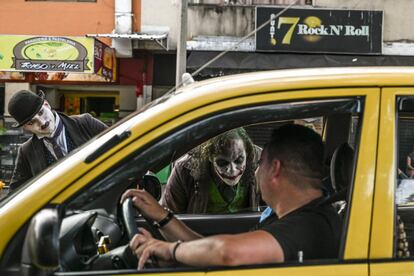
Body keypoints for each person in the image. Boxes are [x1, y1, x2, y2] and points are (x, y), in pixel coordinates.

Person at [121, 124, 341, 269]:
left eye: (259, 164)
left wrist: (168, 249)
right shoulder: (295, 217)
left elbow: (227, 253)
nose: (254, 172)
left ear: (274, 169)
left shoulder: (309, 226)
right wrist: (163, 217)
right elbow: (208, 249)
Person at [7, 89, 108, 190]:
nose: (42, 123)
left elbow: (119, 146)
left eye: (41, 112)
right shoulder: (26, 151)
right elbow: (15, 190)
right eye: (31, 122)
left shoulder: (85, 123)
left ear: (47, 105)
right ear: (25, 127)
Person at [161, 128, 261, 214]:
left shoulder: (261, 162)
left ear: (247, 153)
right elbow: (167, 216)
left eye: (239, 160)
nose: (232, 170)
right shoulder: (184, 170)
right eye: (222, 163)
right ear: (209, 157)